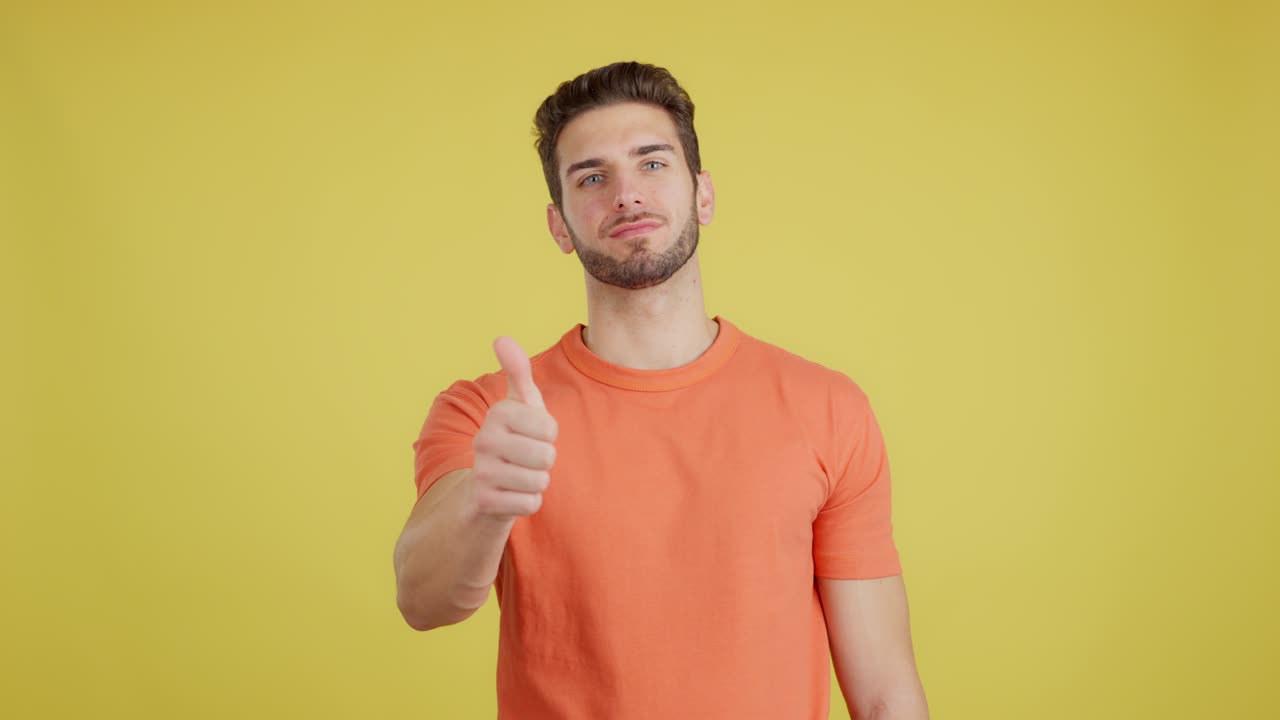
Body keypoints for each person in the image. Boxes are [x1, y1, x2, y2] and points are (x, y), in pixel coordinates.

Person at [393, 60, 929, 719]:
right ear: (559, 225)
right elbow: (422, 601)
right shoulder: (491, 415)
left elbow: (883, 693)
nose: (626, 194)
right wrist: (487, 497)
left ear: (703, 194)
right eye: (592, 177)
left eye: (652, 163)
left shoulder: (828, 408)